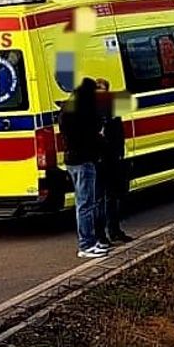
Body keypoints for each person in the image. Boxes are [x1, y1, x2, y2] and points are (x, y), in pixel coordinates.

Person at [60, 77, 107, 259]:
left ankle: (90, 242)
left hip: (72, 159)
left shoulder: (67, 108)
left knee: (84, 202)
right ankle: (87, 244)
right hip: (84, 160)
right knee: (86, 203)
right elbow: (92, 134)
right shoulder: (84, 111)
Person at [94, 78, 132, 244]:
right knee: (100, 200)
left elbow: (119, 134)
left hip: (113, 159)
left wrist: (120, 154)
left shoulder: (112, 111)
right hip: (99, 160)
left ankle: (114, 230)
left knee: (114, 197)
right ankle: (101, 235)